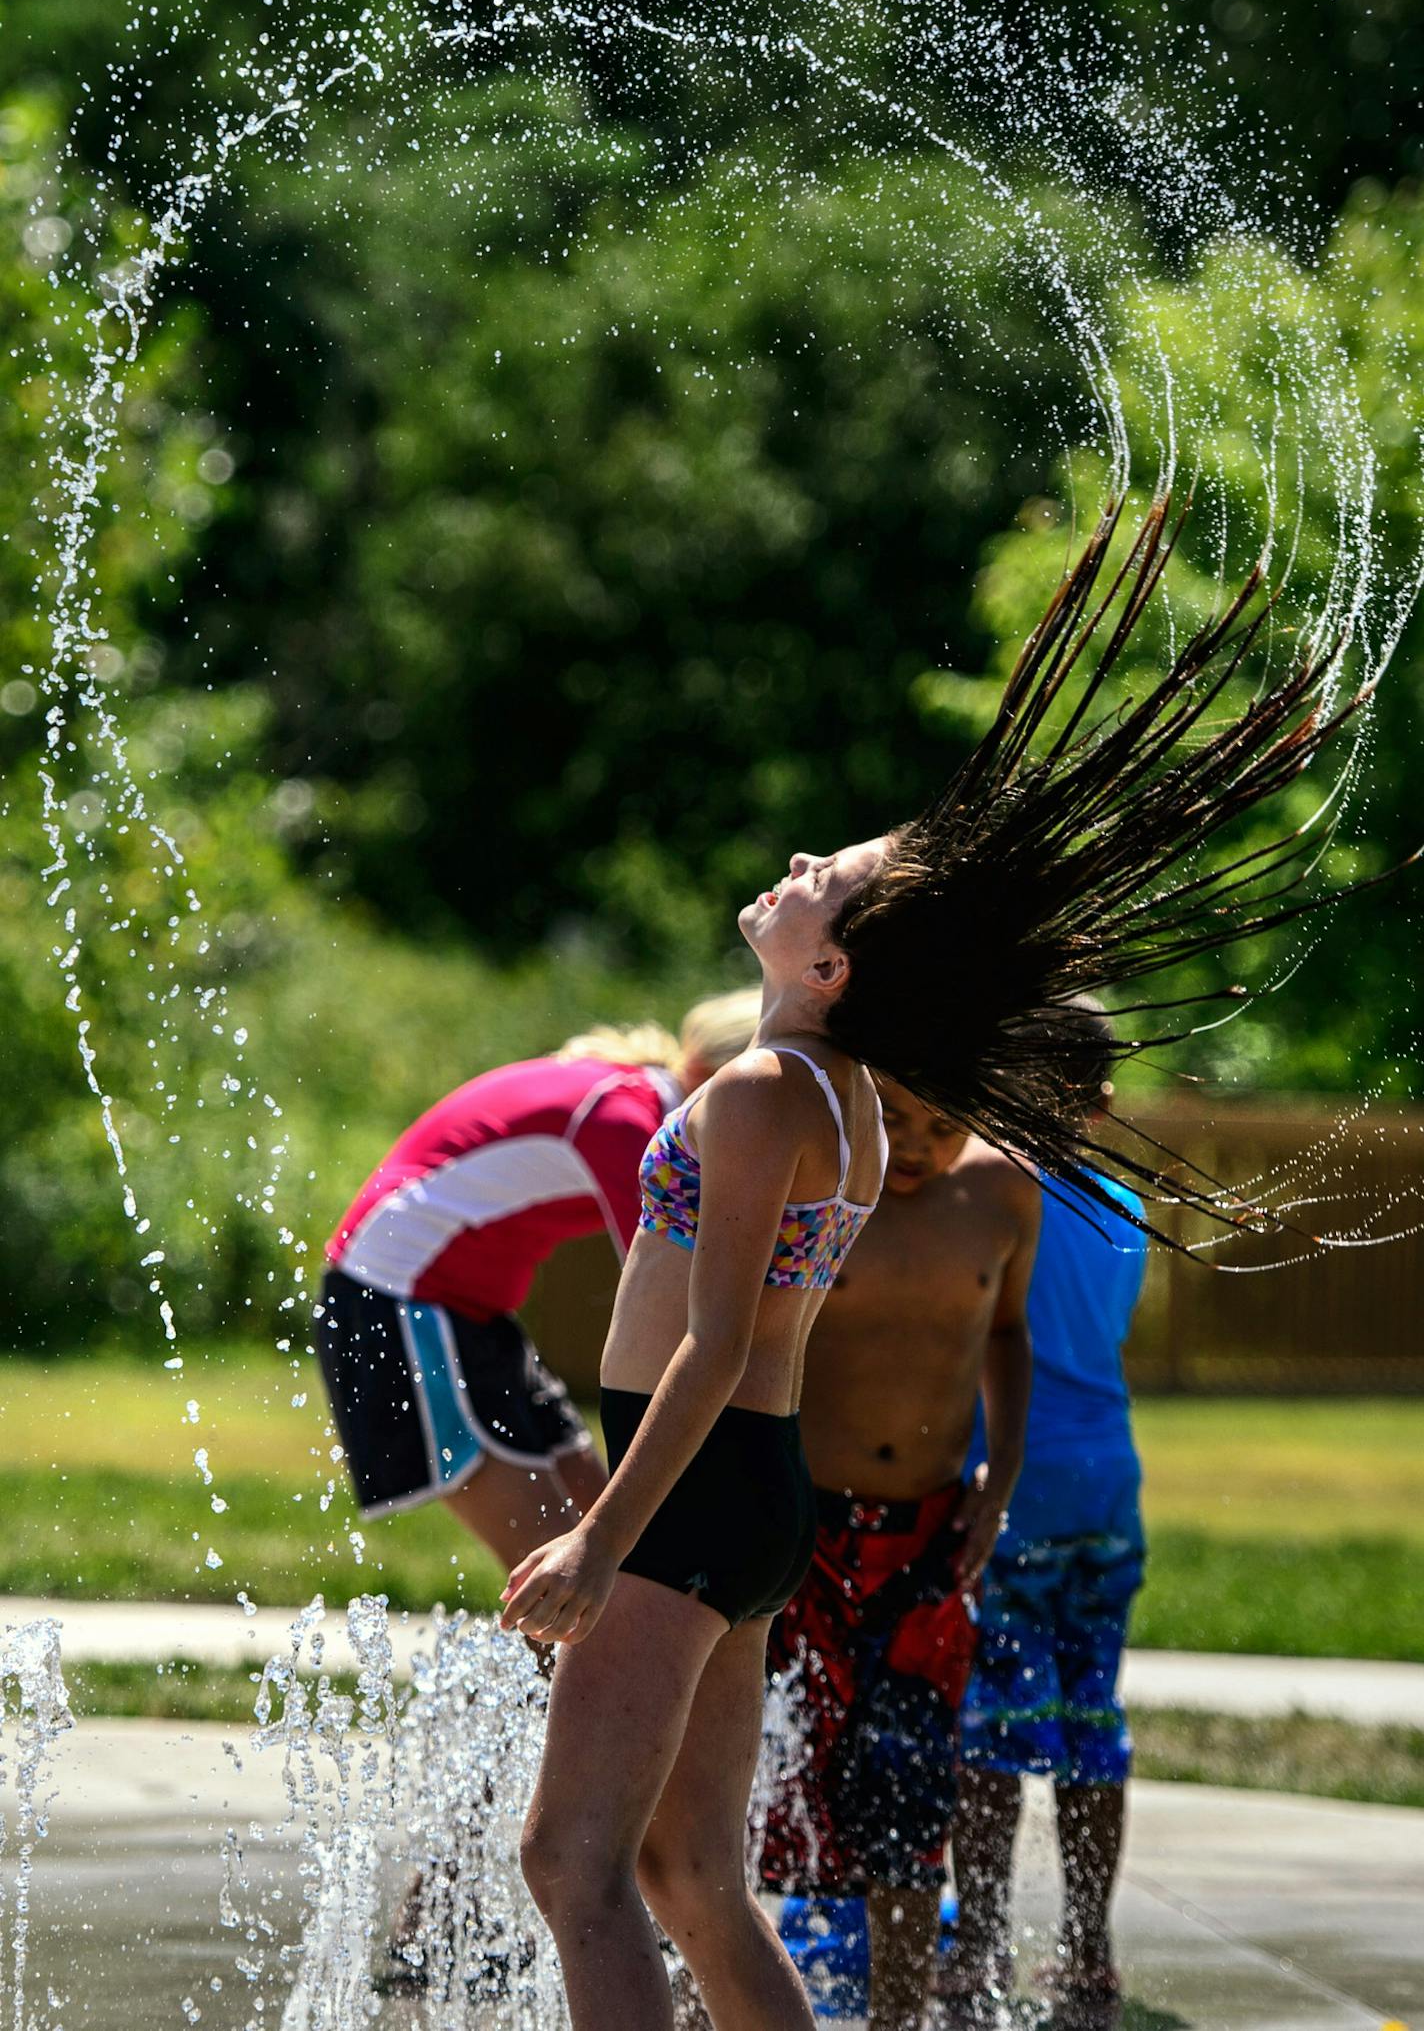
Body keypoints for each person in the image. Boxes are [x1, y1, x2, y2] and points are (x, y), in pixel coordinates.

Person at [496, 498, 1379, 2031]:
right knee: (695, 1875)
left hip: (692, 1476)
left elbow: (708, 1347)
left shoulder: (780, 1093)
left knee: (572, 1866)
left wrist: (595, 1541)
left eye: (822, 878)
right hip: (753, 1485)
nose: (794, 864)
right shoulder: (828, 1092)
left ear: (833, 965)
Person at [756, 1078, 1039, 2031]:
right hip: (803, 1526)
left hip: (929, 1537)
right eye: (897, 1120)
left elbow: (1005, 1332)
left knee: (913, 1793)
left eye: (947, 1124)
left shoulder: (1003, 1195)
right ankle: (704, 1998)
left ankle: (899, 2018)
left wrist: (997, 1488)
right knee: (753, 1780)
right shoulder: (820, 1186)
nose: (916, 1146)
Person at [316, 988, 760, 1570]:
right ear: (722, 1077)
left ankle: (584, 1665)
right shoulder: (630, 1124)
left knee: (606, 1539)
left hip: (462, 1308)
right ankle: (576, 1665)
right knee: (560, 1563)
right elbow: (684, 1302)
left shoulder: (629, 1097)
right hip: (398, 1296)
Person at [948, 1000, 1148, 2031]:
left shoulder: (982, 1198)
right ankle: (1086, 1949)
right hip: (1106, 1482)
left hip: (1006, 1481)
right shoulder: (1121, 1208)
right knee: (1087, 1718)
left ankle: (974, 1944)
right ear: (1100, 1104)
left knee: (989, 1724)